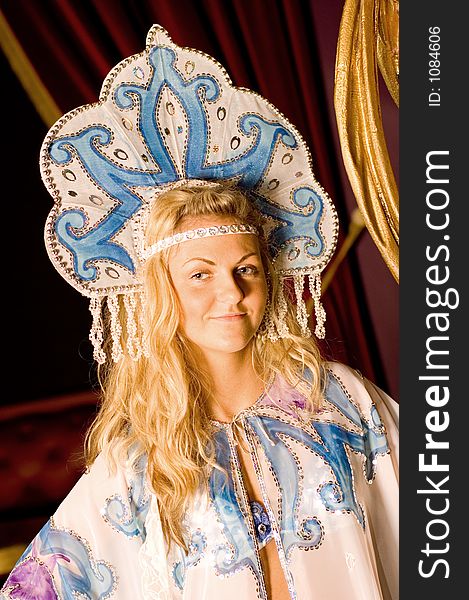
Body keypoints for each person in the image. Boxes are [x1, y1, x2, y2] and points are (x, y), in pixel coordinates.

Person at [1, 25, 398, 600]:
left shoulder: (339, 403)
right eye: (199, 275)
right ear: (162, 292)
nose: (231, 295)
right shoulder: (140, 458)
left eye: (247, 269)